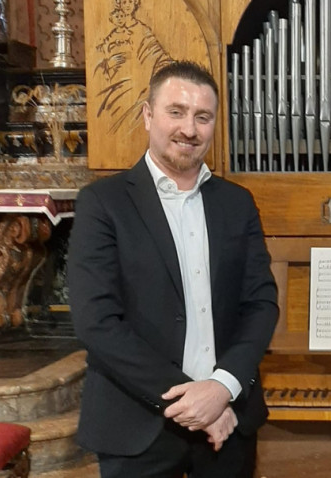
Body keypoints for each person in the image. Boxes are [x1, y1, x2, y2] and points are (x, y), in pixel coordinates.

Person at [68, 60, 278, 477]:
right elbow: (97, 322)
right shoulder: (103, 203)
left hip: (229, 422)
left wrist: (222, 388)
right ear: (148, 115)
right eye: (176, 112)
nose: (189, 129)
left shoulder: (237, 204)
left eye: (203, 117)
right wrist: (194, 404)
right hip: (137, 424)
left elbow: (262, 304)